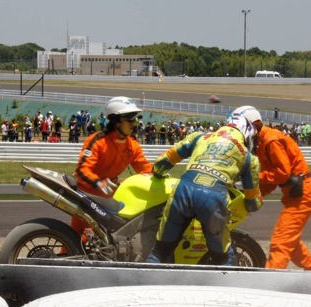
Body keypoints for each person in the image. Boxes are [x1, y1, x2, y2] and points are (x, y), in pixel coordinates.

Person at [146, 106, 263, 266]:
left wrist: (158, 173)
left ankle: (143, 283)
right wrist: (257, 201)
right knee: (222, 259)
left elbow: (162, 162)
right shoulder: (249, 157)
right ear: (248, 130)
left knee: (159, 252)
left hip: (183, 190)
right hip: (214, 198)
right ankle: (226, 288)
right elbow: (252, 201)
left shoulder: (200, 137)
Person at [246, 106, 311, 271]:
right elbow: (271, 179)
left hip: (302, 194)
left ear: (255, 124)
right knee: (290, 244)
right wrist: (255, 194)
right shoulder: (263, 142)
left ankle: (270, 286)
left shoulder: (271, 140)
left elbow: (282, 173)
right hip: (296, 193)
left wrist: (256, 177)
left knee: (280, 242)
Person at [72, 96, 153, 237]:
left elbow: (145, 168)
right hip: (87, 196)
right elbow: (81, 170)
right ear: (116, 120)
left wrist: (161, 174)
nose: (133, 123)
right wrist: (98, 182)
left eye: (135, 119)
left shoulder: (132, 144)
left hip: (111, 198)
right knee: (79, 238)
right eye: (130, 119)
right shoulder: (97, 141)